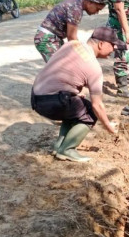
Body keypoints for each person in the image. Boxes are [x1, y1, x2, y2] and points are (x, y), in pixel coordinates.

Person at [30, 27, 123, 162]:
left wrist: (72, 93)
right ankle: (67, 149)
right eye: (113, 45)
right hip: (52, 102)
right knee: (90, 111)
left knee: (77, 107)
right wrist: (108, 126)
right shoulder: (93, 67)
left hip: (36, 98)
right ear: (101, 44)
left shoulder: (72, 44)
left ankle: (59, 146)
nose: (114, 49)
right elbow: (98, 105)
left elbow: (62, 71)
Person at [34, 0, 111, 62]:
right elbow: (71, 37)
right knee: (60, 68)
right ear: (90, 2)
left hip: (52, 37)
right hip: (47, 39)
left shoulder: (77, 1)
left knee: (65, 64)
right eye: (97, 9)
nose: (97, 12)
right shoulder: (76, 10)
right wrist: (83, 55)